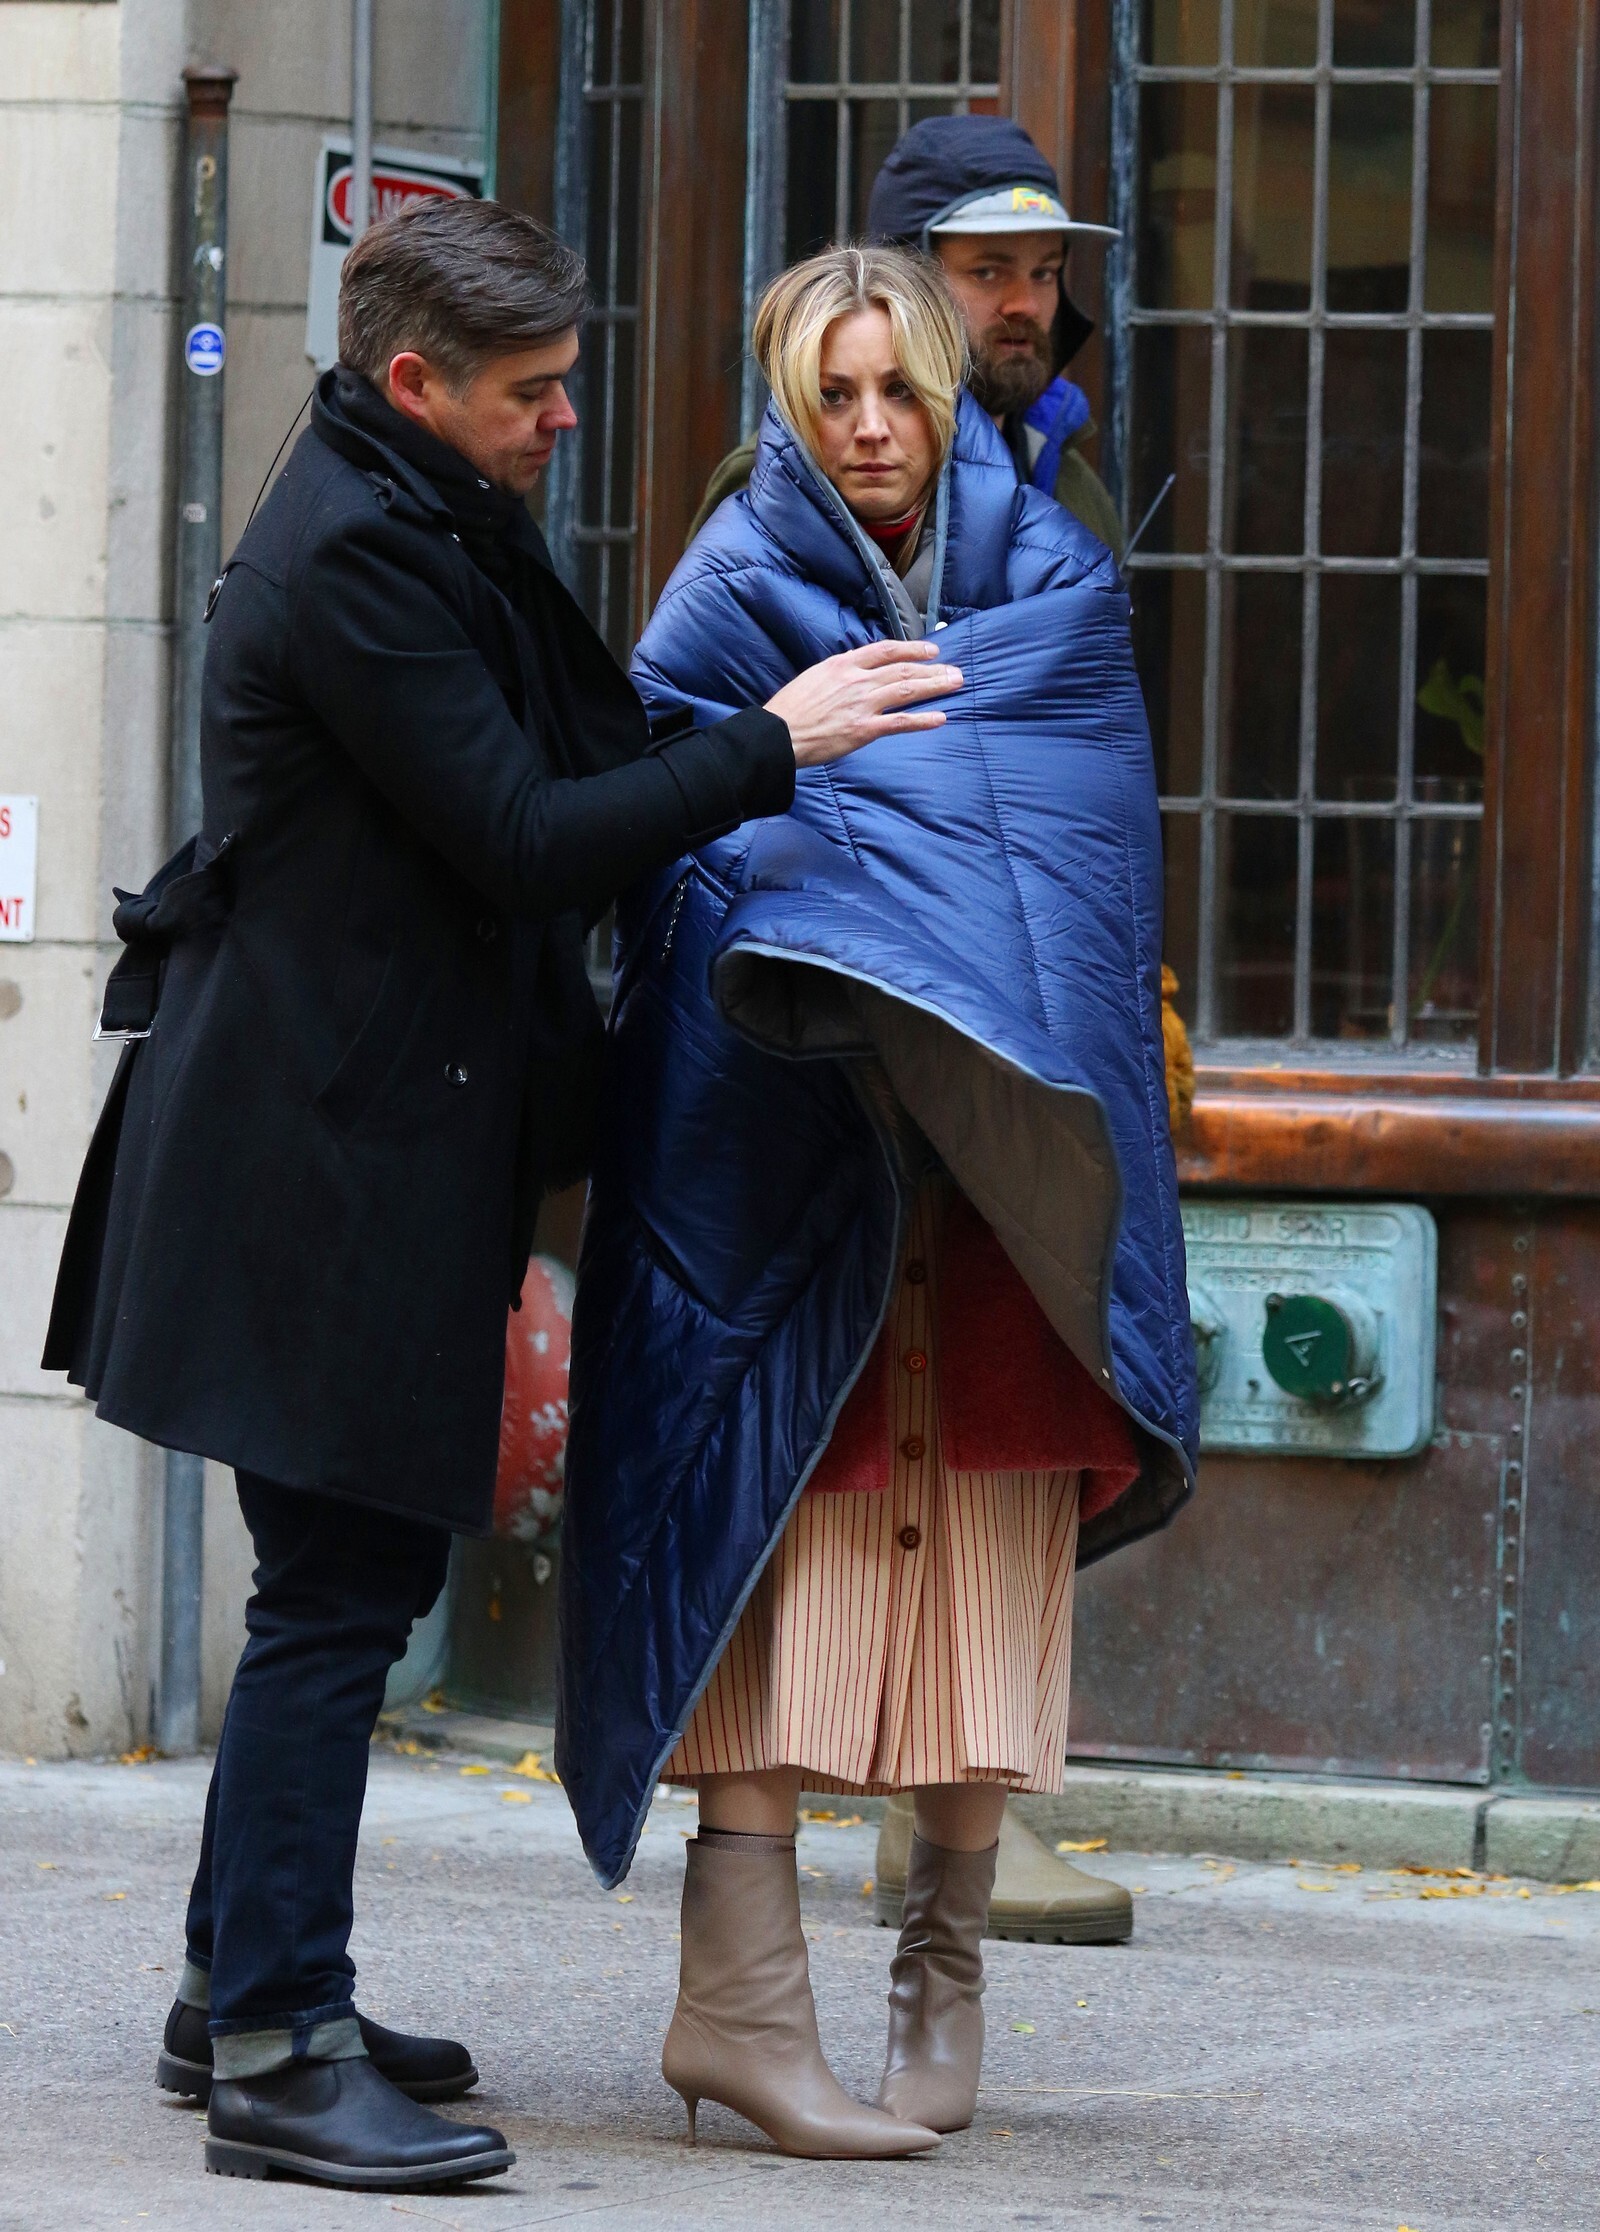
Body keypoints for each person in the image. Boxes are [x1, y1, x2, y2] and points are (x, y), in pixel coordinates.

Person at [40, 199, 958, 2192]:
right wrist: (776, 742)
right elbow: (529, 834)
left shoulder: (429, 504)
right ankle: (281, 2053)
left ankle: (232, 1989)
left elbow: (570, 734)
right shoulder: (357, 554)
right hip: (315, 1163)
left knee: (339, 1586)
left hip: (362, 1140)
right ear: (415, 382)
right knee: (336, 1597)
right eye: (532, 392)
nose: (563, 420)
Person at [559, 246, 1197, 2158]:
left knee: (979, 1542)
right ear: (787, 401)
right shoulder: (731, 580)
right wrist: (799, 773)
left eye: (896, 388)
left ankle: (944, 1972)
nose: (866, 429)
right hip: (787, 1147)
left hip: (989, 1173)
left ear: (942, 388)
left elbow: (1077, 859)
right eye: (829, 394)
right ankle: (741, 2009)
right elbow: (668, 847)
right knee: (765, 1538)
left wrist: (913, 886)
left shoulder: (1052, 576)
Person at [688, 110, 1183, 1952]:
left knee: (988, 1440)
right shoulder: (758, 533)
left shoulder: (1058, 516)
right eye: (991, 271)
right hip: (822, 1082)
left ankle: (955, 1868)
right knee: (802, 1467)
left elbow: (1075, 778)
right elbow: (700, 782)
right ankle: (759, 1952)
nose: (1027, 302)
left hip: (1012, 1066)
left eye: (1043, 272)